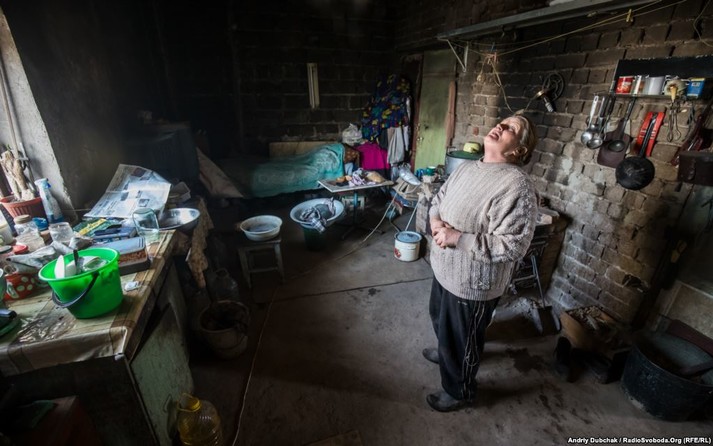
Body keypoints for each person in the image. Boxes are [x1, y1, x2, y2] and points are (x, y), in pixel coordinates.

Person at [424, 114, 539, 412]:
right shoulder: (467, 168)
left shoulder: (517, 186)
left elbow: (513, 245)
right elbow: (439, 199)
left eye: (511, 128)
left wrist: (457, 238)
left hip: (473, 281)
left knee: (463, 340)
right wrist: (435, 221)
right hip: (445, 268)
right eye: (503, 121)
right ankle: (447, 352)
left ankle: (459, 391)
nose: (500, 126)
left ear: (519, 150)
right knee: (441, 320)